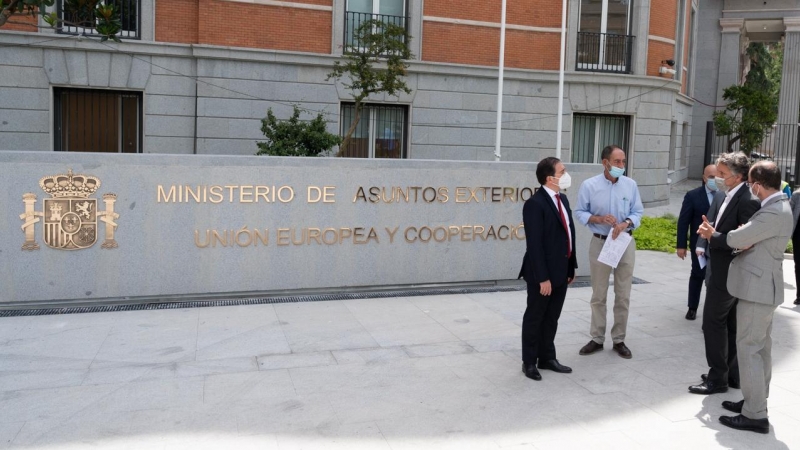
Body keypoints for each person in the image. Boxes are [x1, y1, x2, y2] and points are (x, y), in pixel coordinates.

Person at [697, 161, 792, 433]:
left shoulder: (773, 211)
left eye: (751, 184)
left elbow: (738, 239)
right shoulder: (777, 206)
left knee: (750, 349)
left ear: (758, 185)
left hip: (757, 289)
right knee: (760, 349)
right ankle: (754, 402)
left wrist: (712, 234)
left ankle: (755, 415)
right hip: (762, 288)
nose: (750, 189)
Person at [689, 152, 760, 395]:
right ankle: (730, 374)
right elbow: (712, 224)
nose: (717, 178)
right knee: (728, 323)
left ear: (738, 176)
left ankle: (717, 377)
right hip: (716, 268)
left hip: (731, 271)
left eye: (722, 174)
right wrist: (705, 231)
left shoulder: (748, 199)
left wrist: (713, 236)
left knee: (713, 322)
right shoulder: (722, 194)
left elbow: (745, 241)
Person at [574, 145, 643, 359]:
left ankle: (619, 339)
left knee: (623, 294)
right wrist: (598, 219)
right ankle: (596, 338)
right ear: (605, 162)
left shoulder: (630, 185)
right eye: (617, 162)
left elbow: (638, 211)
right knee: (598, 294)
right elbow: (579, 211)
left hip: (624, 243)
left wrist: (626, 223)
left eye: (623, 162)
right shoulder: (590, 185)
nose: (621, 166)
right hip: (600, 242)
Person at [518, 157, 578, 380]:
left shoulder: (562, 199)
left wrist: (571, 267)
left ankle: (547, 357)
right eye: (562, 171)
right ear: (549, 178)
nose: (566, 174)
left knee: (552, 317)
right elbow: (534, 244)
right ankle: (529, 362)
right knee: (535, 317)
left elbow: (568, 235)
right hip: (541, 274)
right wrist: (543, 278)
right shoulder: (535, 203)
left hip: (561, 271)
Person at [676, 164, 718, 320]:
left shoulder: (724, 196)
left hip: (717, 243)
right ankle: (692, 307)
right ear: (704, 177)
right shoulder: (693, 195)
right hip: (698, 244)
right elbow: (683, 222)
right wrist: (681, 245)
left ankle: (712, 311)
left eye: (717, 176)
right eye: (711, 177)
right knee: (697, 274)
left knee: (715, 278)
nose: (714, 180)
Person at [789, 188, 800, 305]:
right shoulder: (797, 195)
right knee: (799, 265)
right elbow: (790, 213)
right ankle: (799, 295)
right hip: (798, 235)